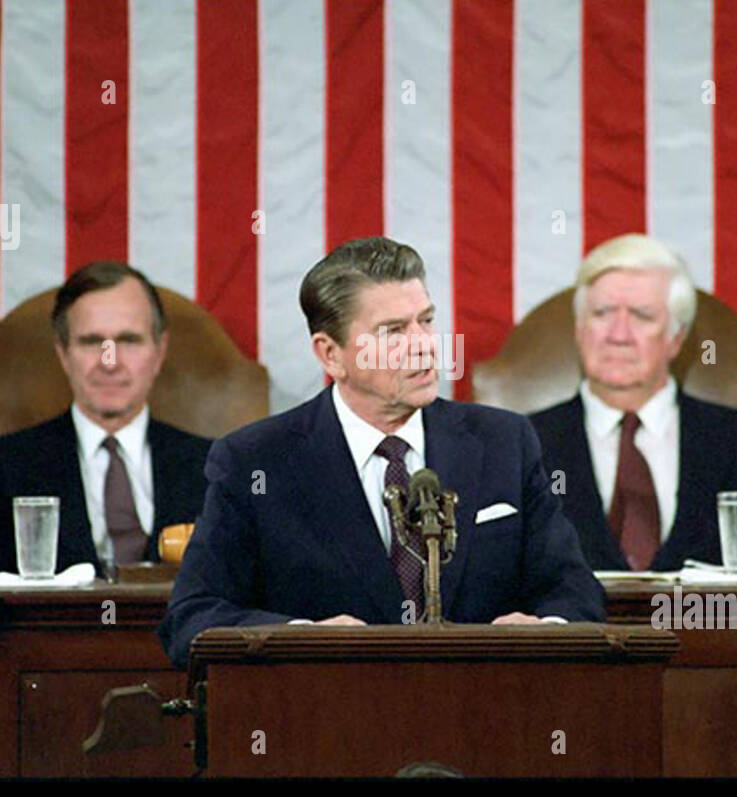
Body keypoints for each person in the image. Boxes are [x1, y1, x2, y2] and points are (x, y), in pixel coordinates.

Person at [159, 237, 604, 667]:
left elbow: (575, 590)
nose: (424, 344)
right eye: (393, 331)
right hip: (328, 722)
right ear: (331, 355)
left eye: (426, 321)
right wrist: (301, 640)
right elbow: (192, 618)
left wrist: (546, 629)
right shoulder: (255, 461)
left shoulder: (504, 442)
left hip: (482, 719)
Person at [530, 234, 737, 572]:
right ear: (579, 329)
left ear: (676, 337)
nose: (618, 335)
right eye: (602, 313)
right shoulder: (517, 447)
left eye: (642, 316)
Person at [0, 262, 212, 576]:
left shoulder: (217, 469)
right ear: (63, 354)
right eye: (92, 341)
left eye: (128, 340)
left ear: (159, 352)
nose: (110, 362)